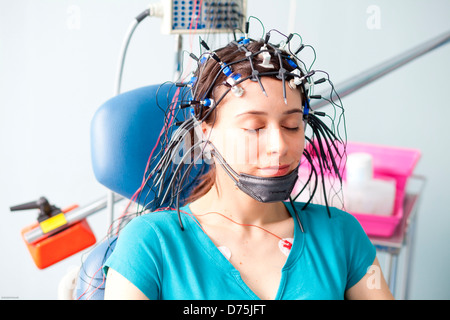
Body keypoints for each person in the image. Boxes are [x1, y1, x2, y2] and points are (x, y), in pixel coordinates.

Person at [102, 32, 394, 300]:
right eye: (254, 127)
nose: (279, 145)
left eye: (292, 126)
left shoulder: (339, 234)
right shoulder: (150, 244)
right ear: (205, 131)